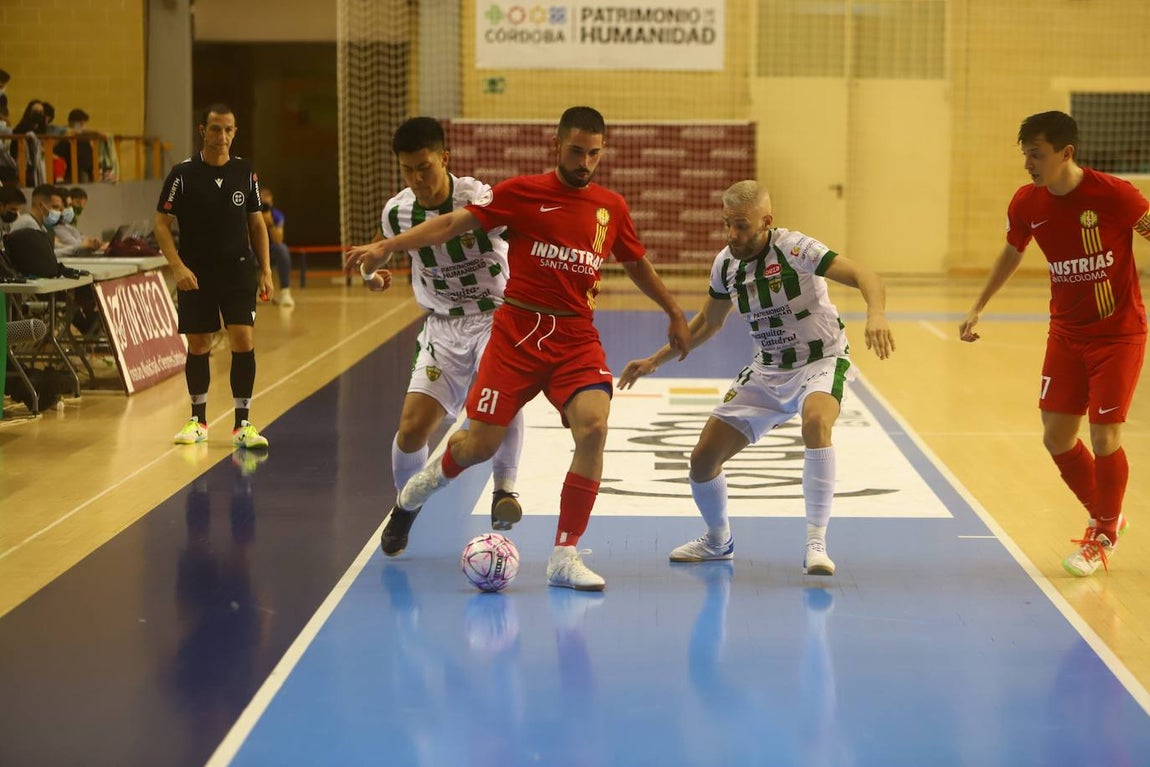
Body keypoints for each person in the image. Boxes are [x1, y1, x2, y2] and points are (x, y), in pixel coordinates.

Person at [345, 106, 691, 591]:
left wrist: (674, 311)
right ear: (557, 146)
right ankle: (414, 492)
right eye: (576, 151)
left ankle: (564, 555)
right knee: (477, 445)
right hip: (516, 333)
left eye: (594, 153)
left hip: (575, 337)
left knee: (594, 427)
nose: (585, 162)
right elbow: (449, 226)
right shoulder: (521, 193)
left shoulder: (610, 206)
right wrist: (389, 246)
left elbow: (636, 263)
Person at [618, 180, 895, 575]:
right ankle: (718, 541)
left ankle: (816, 543)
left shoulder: (795, 249)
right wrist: (655, 360)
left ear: (766, 221)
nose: (733, 234)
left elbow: (867, 276)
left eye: (742, 225)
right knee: (702, 460)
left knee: (816, 422)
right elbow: (709, 322)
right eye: (727, 224)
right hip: (767, 369)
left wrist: (876, 314)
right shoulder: (725, 264)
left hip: (820, 361)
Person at [959, 110, 1150, 577]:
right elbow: (1013, 250)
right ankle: (1109, 514)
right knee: (1056, 437)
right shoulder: (1027, 203)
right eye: (1025, 154)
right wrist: (979, 304)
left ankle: (1102, 535)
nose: (1028, 164)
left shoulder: (1114, 195)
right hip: (1065, 335)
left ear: (1066, 153)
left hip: (1118, 335)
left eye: (1037, 154)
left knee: (1104, 436)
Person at [358, 116, 526, 531]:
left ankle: (505, 491)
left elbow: (515, 236)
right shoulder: (396, 212)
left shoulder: (476, 195)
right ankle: (405, 508)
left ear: (444, 158)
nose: (417, 179)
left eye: (425, 167)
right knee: (412, 430)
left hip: (494, 318)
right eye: (407, 170)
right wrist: (371, 277)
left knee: (501, 403)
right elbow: (379, 256)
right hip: (442, 328)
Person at [154, 102, 274, 451]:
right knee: (199, 344)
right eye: (216, 129)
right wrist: (177, 266)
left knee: (243, 340)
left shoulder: (245, 172)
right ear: (202, 130)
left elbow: (257, 224)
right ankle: (198, 420)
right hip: (196, 272)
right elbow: (161, 223)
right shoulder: (182, 174)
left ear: (235, 133)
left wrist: (266, 270)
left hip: (238, 269)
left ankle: (242, 424)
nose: (222, 136)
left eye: (228, 130)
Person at [258, 185, 293, 307]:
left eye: (267, 205)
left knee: (282, 249)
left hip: (271, 250)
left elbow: (278, 240)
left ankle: (285, 292)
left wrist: (270, 224)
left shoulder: (277, 215)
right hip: (255, 250)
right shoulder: (252, 213)